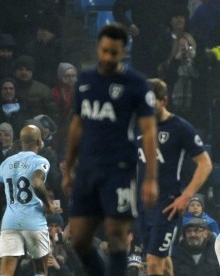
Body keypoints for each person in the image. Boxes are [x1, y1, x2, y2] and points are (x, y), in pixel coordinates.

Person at [61, 24, 159, 276]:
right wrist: (68, 167)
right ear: (98, 48)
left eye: (113, 53)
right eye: (104, 51)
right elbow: (77, 124)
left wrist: (150, 178)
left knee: (116, 236)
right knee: (79, 239)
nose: (107, 57)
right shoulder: (85, 79)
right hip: (87, 169)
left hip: (120, 169)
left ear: (123, 52)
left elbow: (149, 132)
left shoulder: (136, 84)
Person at [138, 78, 212, 276]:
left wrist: (185, 197)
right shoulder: (137, 124)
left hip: (168, 204)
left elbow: (205, 164)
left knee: (153, 262)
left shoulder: (179, 128)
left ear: (164, 101)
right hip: (142, 204)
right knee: (161, 260)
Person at [0, 125, 54, 276]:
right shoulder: (40, 161)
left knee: (5, 271)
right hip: (34, 220)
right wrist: (48, 203)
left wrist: (11, 199)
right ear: (39, 142)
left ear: (19, 142)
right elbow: (37, 182)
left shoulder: (6, 163)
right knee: (40, 269)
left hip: (10, 221)